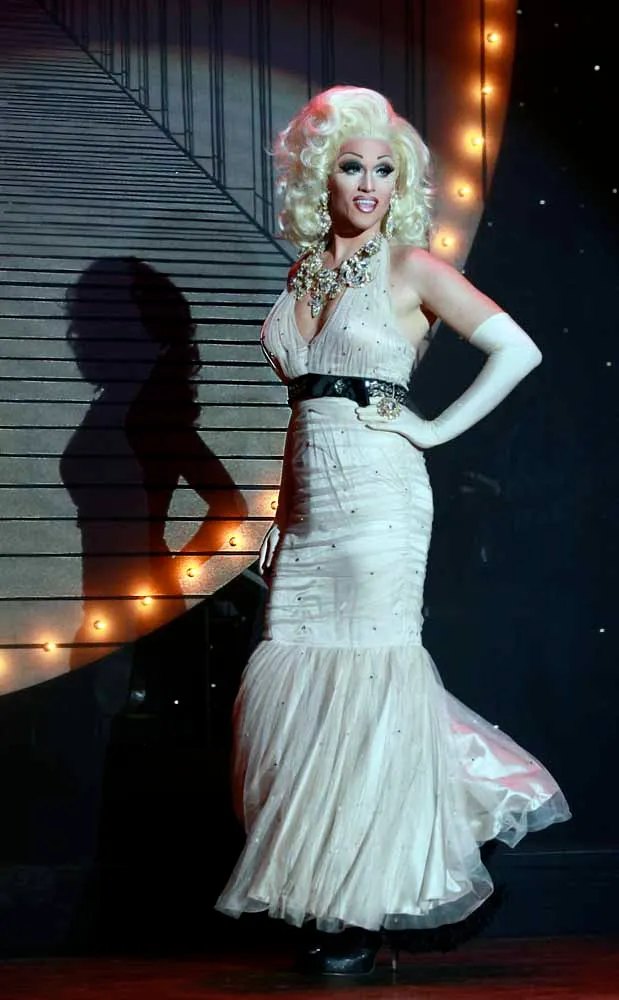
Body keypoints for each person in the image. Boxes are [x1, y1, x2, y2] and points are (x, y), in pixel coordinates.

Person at [215, 86, 571, 975]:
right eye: (351, 166)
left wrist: (435, 429)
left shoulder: (411, 267)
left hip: (380, 504)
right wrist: (281, 512)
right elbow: (305, 412)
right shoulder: (302, 275)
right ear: (320, 177)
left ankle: (362, 911)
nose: (368, 183)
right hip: (309, 512)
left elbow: (517, 348)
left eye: (383, 169)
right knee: (301, 692)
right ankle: (329, 891)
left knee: (370, 687)